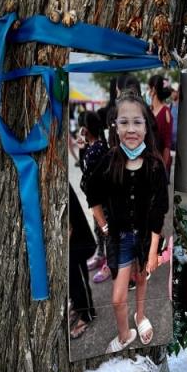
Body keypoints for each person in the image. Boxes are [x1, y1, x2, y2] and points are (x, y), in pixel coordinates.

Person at [85, 91, 169, 353]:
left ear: (146, 126)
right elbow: (91, 192)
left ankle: (141, 315)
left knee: (142, 278)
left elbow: (158, 211)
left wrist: (154, 250)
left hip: (145, 238)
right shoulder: (109, 162)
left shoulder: (155, 165)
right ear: (115, 126)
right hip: (120, 239)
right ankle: (124, 335)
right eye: (124, 122)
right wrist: (104, 225)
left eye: (137, 122)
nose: (131, 129)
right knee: (118, 297)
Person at [78, 111, 110, 278]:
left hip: (100, 201)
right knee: (99, 230)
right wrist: (83, 146)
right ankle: (101, 255)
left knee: (105, 230)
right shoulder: (98, 147)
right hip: (100, 200)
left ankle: (108, 263)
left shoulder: (94, 151)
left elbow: (87, 177)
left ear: (85, 129)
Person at [68, 184, 96, 339]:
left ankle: (87, 313)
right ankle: (77, 305)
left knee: (76, 269)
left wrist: (69, 223)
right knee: (69, 273)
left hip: (73, 230)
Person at [148, 74, 173, 172]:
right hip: (148, 163)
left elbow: (167, 145)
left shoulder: (165, 112)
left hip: (159, 164)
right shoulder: (149, 111)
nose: (148, 92)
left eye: (148, 88)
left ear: (153, 90)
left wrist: (163, 167)